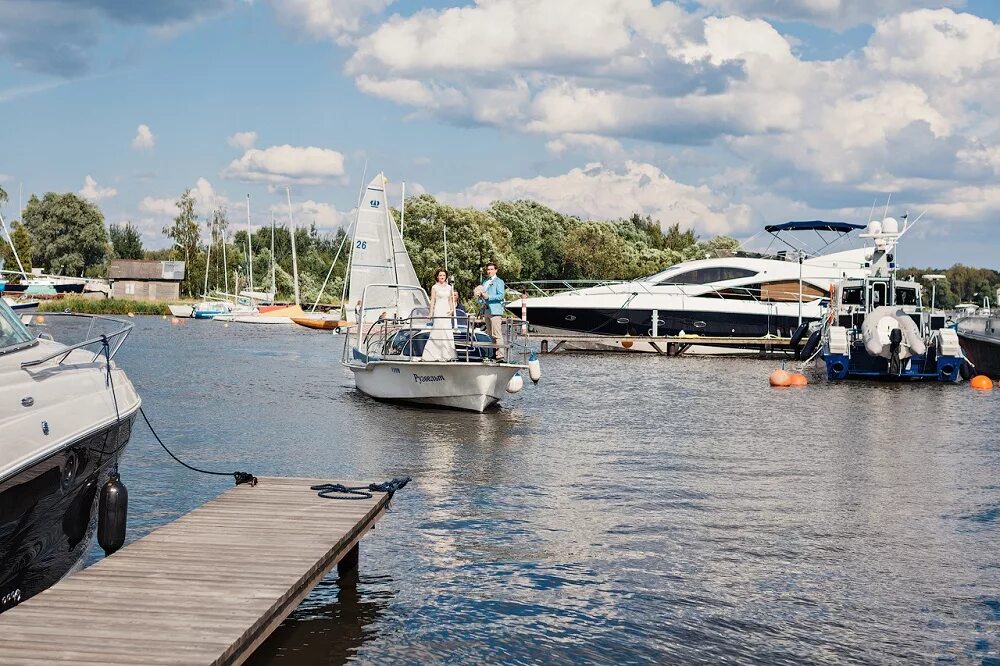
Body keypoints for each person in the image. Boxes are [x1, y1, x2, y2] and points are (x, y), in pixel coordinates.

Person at [421, 268, 457, 362]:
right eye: (440, 275)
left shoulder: (449, 287)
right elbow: (432, 301)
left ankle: (447, 355)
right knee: (437, 331)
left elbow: (450, 300)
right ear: (437, 276)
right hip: (438, 310)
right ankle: (432, 355)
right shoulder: (434, 287)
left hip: (446, 310)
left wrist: (452, 310)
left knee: (447, 331)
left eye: (444, 275)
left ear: (446, 277)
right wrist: (430, 313)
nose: (442, 277)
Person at [479, 262, 506, 362]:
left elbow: (501, 296)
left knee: (497, 334)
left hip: (495, 310)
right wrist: (481, 301)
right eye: (488, 269)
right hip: (486, 310)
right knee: (490, 334)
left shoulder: (499, 281)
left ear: (496, 270)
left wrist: (489, 297)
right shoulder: (485, 282)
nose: (489, 271)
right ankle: (493, 354)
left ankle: (500, 356)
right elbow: (482, 296)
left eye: (491, 269)